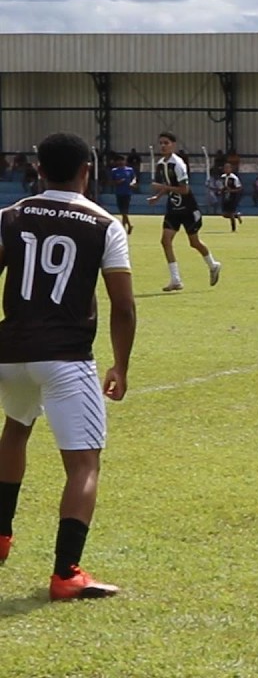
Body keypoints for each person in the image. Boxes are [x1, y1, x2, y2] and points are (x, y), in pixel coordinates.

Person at [0, 132, 136, 601]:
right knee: (83, 464)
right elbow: (123, 304)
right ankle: (66, 574)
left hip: (11, 354)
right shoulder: (104, 223)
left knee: (15, 430)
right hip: (65, 357)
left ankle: (0, 535)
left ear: (38, 170)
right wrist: (120, 363)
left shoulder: (9, 217)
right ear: (86, 171)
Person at [147, 132, 220, 291]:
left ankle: (213, 265)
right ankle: (175, 279)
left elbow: (185, 189)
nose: (163, 146)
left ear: (173, 144)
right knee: (165, 241)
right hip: (173, 208)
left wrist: (163, 188)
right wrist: (157, 197)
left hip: (188, 208)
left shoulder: (178, 164)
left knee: (194, 242)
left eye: (166, 143)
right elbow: (168, 185)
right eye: (161, 143)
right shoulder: (161, 164)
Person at [109, 153, 137, 235]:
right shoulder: (114, 171)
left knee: (124, 210)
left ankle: (124, 227)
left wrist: (133, 183)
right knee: (122, 211)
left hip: (127, 192)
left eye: (122, 160)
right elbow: (111, 182)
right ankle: (128, 226)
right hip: (119, 192)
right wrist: (118, 182)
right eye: (119, 161)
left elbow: (134, 178)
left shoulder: (129, 170)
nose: (121, 162)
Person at [217, 161, 244, 232]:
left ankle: (233, 229)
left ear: (231, 169)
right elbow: (222, 186)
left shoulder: (234, 178)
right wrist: (221, 190)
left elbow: (239, 188)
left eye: (228, 168)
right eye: (225, 168)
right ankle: (237, 215)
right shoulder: (222, 177)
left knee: (231, 213)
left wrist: (231, 190)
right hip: (225, 197)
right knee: (224, 214)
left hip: (232, 197)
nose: (226, 169)